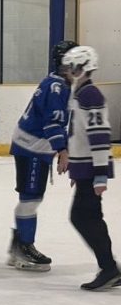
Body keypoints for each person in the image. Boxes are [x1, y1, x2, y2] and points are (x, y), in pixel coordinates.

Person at [7, 40, 75, 272]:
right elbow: (52, 123)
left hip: (31, 145)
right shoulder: (58, 87)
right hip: (32, 147)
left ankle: (18, 245)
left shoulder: (56, 82)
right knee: (31, 197)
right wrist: (63, 151)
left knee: (31, 197)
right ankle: (23, 247)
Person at [63, 45, 121, 290]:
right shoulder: (81, 92)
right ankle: (109, 268)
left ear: (81, 67)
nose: (67, 70)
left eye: (71, 66)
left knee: (83, 216)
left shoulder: (90, 94)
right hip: (85, 168)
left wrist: (99, 174)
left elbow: (99, 135)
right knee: (88, 216)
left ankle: (109, 268)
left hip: (91, 167)